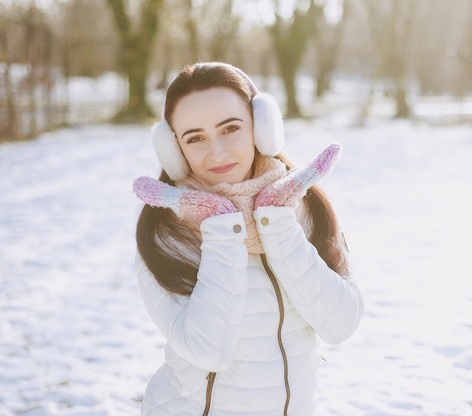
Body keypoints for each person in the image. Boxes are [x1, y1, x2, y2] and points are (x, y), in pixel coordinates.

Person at [133, 61, 363, 416]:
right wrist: (221, 227)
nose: (218, 153)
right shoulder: (166, 232)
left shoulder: (302, 208)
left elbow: (340, 324)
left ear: (261, 126)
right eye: (195, 138)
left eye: (230, 129)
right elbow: (208, 350)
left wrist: (277, 223)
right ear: (174, 150)